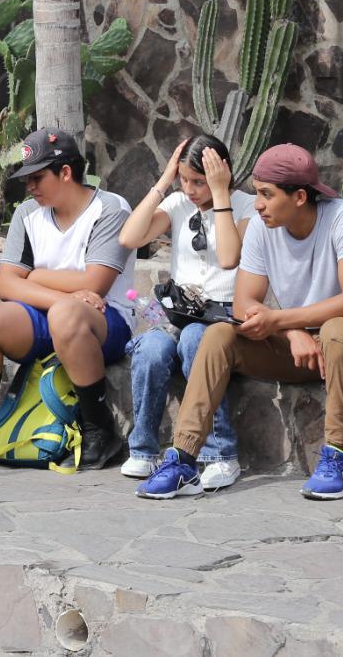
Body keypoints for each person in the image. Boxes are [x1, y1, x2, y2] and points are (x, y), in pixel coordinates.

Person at [138, 144, 343, 502]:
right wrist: (291, 332)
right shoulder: (261, 227)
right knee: (220, 334)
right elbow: (244, 303)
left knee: (337, 329)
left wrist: (280, 321)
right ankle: (183, 458)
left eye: (266, 195)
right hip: (297, 346)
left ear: (300, 196)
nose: (257, 204)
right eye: (257, 193)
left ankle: (337, 457)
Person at [0, 128, 136, 470]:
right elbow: (6, 285)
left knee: (66, 316)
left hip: (104, 321)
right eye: (27, 179)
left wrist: (35, 276)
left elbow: (95, 284)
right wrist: (66, 292)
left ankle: (98, 427)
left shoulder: (110, 208)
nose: (29, 187)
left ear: (66, 173)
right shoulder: (28, 213)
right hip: (50, 315)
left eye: (37, 177)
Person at [117, 135, 256, 489]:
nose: (191, 189)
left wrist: (220, 195)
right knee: (150, 348)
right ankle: (144, 451)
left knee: (197, 339)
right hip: (180, 311)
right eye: (185, 180)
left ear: (220, 174)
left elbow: (228, 258)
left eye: (200, 181)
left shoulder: (246, 207)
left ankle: (220, 455)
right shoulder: (178, 202)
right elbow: (130, 238)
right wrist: (165, 182)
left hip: (223, 316)